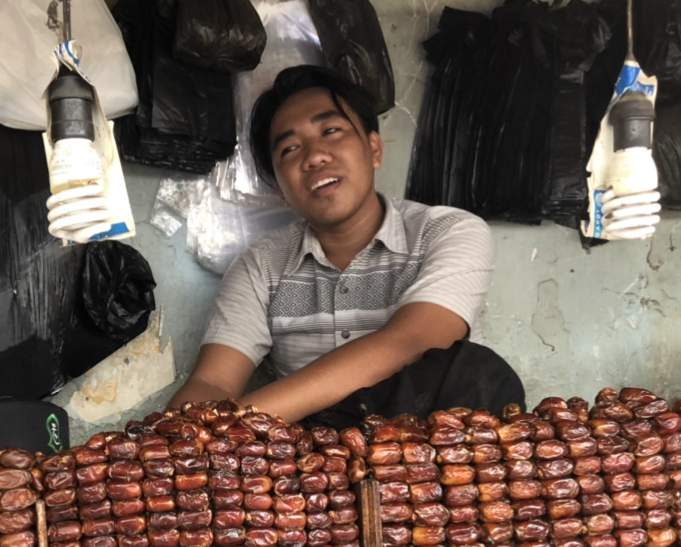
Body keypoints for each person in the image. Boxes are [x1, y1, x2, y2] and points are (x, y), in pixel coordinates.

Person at [168, 66, 523, 425]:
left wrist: (240, 424)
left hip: (435, 459)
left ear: (373, 149)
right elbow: (212, 381)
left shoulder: (448, 231)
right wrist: (181, 435)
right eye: (290, 149)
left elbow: (412, 341)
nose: (315, 156)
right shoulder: (260, 267)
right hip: (311, 469)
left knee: (480, 372)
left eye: (331, 131)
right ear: (281, 191)